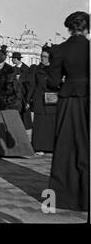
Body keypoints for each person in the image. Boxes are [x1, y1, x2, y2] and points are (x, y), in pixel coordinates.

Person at [47, 11, 89, 211]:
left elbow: (53, 82)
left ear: (69, 28)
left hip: (70, 101)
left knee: (65, 146)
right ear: (87, 27)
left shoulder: (59, 49)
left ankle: (62, 197)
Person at [27, 45, 58, 154]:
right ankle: (39, 147)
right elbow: (32, 85)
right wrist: (28, 100)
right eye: (42, 56)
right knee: (39, 125)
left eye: (45, 57)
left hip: (52, 100)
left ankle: (52, 147)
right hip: (39, 100)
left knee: (51, 124)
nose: (42, 58)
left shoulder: (56, 70)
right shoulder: (36, 69)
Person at [11, 52, 33, 130]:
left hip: (23, 95)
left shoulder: (27, 69)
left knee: (24, 115)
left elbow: (30, 85)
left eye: (12, 59)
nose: (12, 60)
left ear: (16, 59)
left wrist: (28, 100)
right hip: (15, 95)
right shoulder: (13, 69)